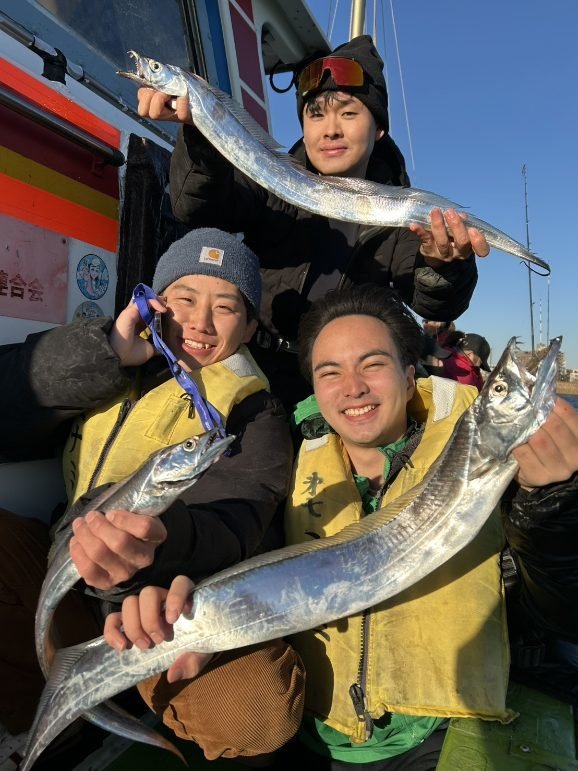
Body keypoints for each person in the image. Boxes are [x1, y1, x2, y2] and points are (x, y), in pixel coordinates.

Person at [110, 284, 578, 769]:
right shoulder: (288, 468)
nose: (353, 387)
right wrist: (189, 608)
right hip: (311, 734)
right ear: (314, 389)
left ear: (409, 375)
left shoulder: (502, 468)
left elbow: (563, 611)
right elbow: (247, 568)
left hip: (443, 731)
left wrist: (554, 505)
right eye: (330, 372)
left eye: (373, 364)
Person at [0, 228, 303, 763]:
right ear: (155, 303)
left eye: (225, 307)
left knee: (255, 706)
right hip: (62, 570)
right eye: (184, 299)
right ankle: (46, 721)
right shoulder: (116, 365)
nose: (201, 323)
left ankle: (135, 697)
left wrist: (156, 550)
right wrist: (106, 353)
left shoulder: (258, 414)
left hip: (159, 615)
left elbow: (234, 520)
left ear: (251, 327)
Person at [136, 35, 489, 408]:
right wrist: (199, 135)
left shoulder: (401, 212)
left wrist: (444, 265)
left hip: (334, 389)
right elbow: (197, 208)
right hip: (247, 369)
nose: (330, 129)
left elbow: (435, 305)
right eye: (316, 114)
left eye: (348, 113)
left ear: (379, 128)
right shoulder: (270, 177)